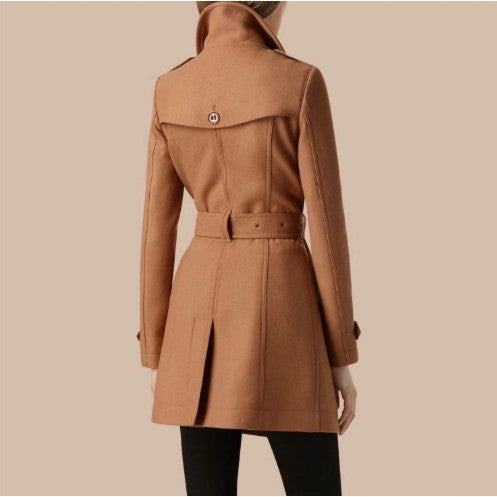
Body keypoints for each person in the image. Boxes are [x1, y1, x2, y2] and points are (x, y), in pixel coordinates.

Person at [136, 1, 362, 495]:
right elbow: (327, 226)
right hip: (283, 307)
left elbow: (156, 231)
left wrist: (156, 351)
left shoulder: (170, 87)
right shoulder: (300, 81)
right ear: (272, 8)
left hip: (195, 323)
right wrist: (341, 355)